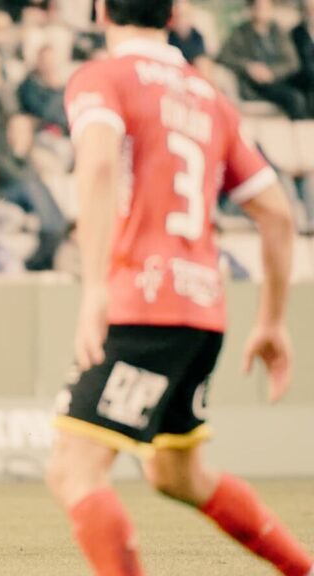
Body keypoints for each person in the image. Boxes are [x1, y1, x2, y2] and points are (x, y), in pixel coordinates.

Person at [47, 1, 313, 575]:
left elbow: (95, 164)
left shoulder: (103, 76)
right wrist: (269, 320)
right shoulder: (208, 95)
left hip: (142, 305)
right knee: (177, 473)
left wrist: (94, 286)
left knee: (74, 470)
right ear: (173, 16)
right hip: (202, 311)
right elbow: (277, 214)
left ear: (100, 12)